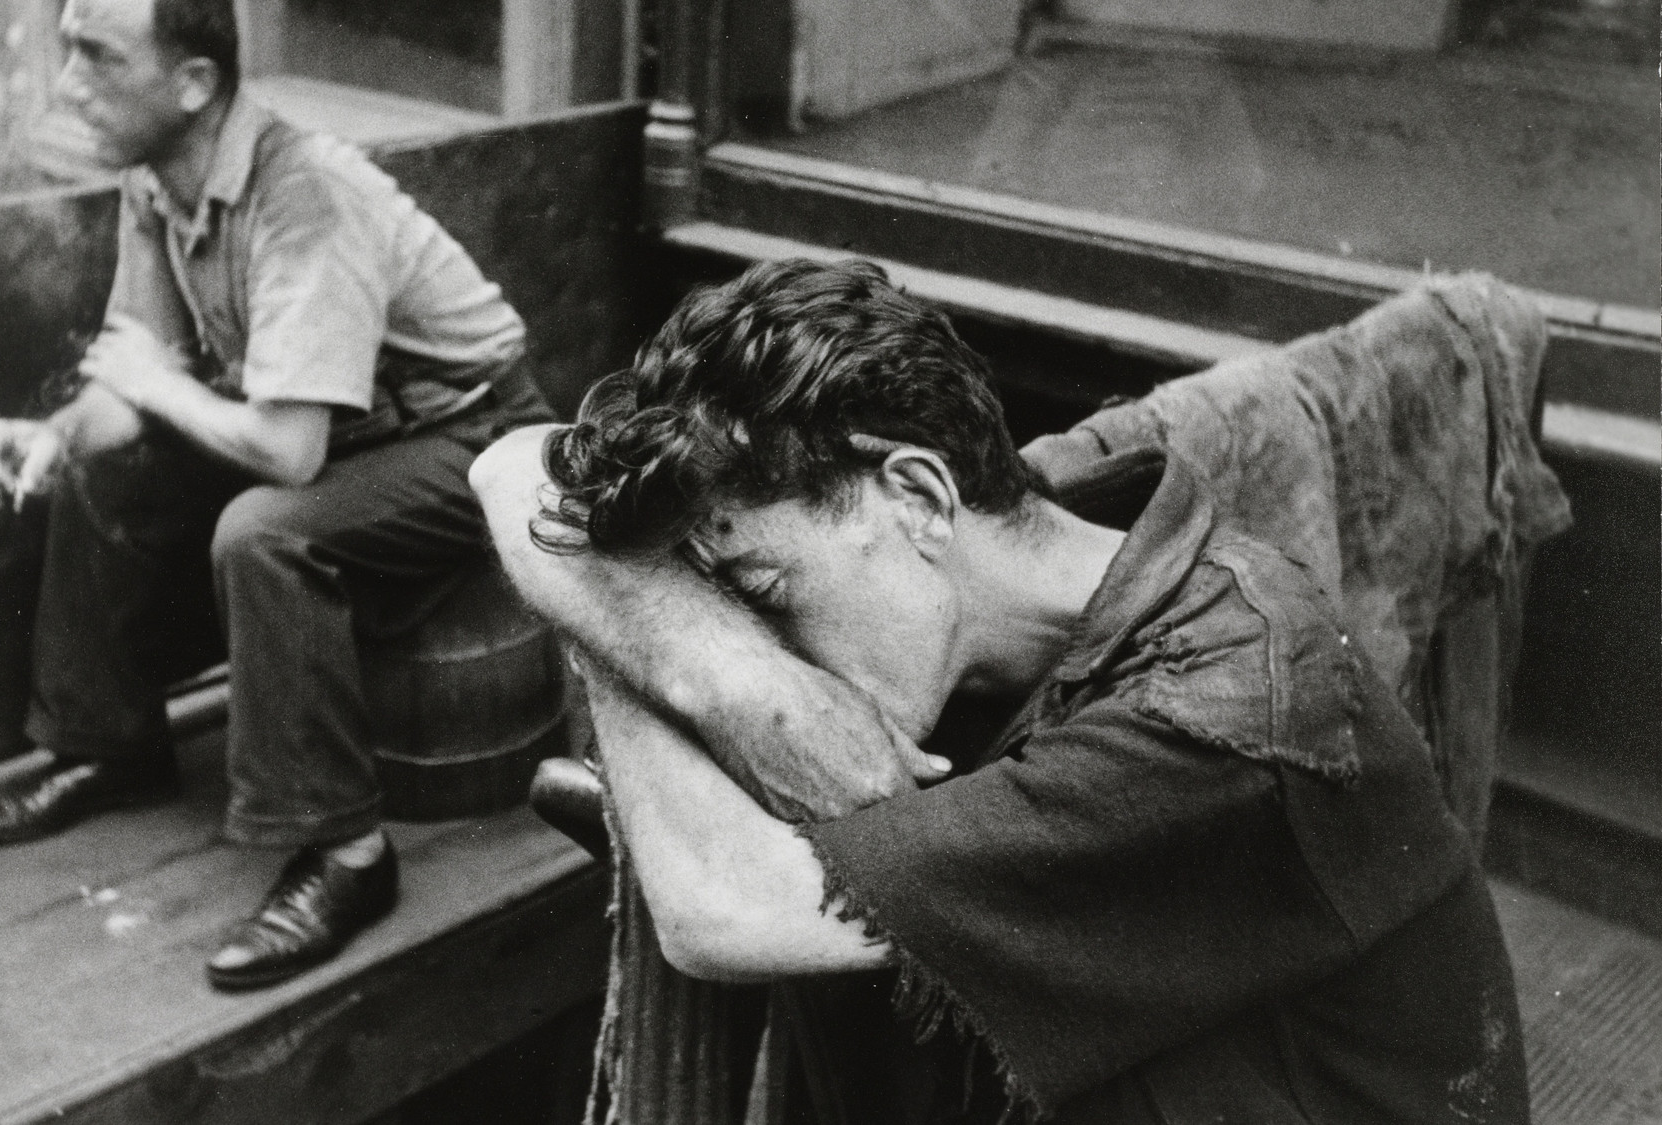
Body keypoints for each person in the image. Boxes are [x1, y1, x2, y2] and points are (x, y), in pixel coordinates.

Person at [470, 259, 1528, 1124]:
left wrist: (645, 648)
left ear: (918, 495)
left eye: (762, 592)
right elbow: (507, 465)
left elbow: (720, 909)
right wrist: (717, 667)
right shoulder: (1026, 528)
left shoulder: (1234, 706)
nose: (771, 645)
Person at [0, 0, 551, 991]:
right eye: (67, 46)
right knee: (100, 465)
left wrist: (155, 388)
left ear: (192, 82)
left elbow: (282, 448)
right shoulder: (155, 177)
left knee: (263, 536)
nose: (67, 81)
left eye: (98, 57)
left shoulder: (301, 195)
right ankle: (107, 742)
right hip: (346, 431)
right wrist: (46, 437)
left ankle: (348, 854)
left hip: (472, 435)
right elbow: (133, 385)